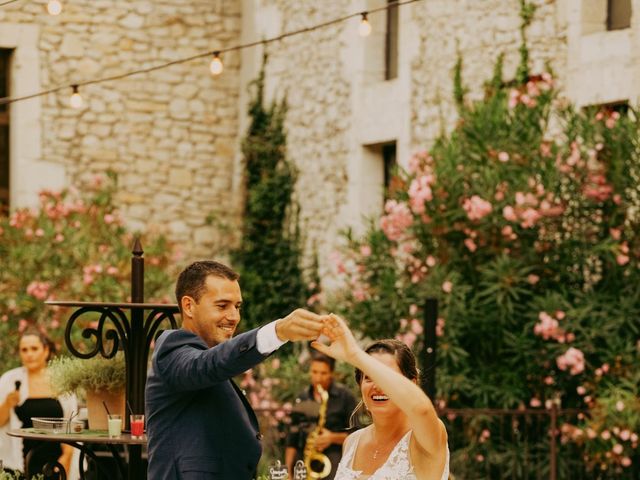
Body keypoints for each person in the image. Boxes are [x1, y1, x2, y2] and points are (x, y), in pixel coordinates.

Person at [145, 260, 326, 480]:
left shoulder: (211, 355)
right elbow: (207, 365)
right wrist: (276, 332)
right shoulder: (172, 349)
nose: (234, 317)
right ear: (189, 306)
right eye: (222, 306)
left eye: (237, 306)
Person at [312, 314, 450, 480]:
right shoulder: (352, 442)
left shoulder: (424, 441)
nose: (377, 386)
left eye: (386, 377)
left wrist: (354, 354)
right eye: (369, 376)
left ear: (411, 383)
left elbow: (421, 409)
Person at [0, 329, 78, 479]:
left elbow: (72, 423)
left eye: (34, 348)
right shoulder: (8, 380)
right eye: (24, 350)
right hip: (19, 461)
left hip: (55, 462)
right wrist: (8, 404)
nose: (29, 354)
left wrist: (67, 457)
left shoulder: (62, 380)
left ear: (46, 350)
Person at [285, 351, 357, 479]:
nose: (318, 378)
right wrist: (289, 473)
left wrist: (332, 438)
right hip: (304, 463)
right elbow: (292, 439)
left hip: (334, 462)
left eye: (323, 373)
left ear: (332, 373)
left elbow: (357, 435)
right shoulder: (302, 398)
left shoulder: (345, 397)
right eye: (314, 372)